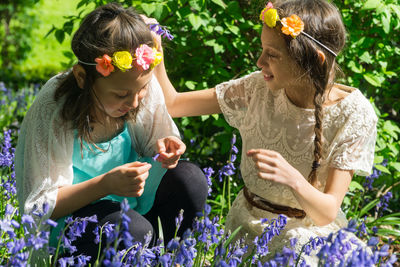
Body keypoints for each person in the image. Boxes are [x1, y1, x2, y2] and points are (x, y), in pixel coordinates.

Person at [155, 0, 377, 263]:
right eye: (262, 50)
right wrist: (155, 47)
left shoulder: (353, 113)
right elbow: (173, 104)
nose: (260, 62)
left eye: (272, 55)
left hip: (306, 236)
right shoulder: (256, 89)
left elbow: (327, 212)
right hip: (245, 229)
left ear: (313, 60)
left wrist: (292, 179)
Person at [15, 3, 208, 263]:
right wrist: (105, 184)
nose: (136, 102)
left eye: (142, 91)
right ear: (83, 77)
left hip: (130, 208)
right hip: (73, 224)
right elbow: (40, 209)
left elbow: (157, 143)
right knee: (132, 230)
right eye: (121, 95)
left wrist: (167, 149)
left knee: (190, 179)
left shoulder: (137, 84)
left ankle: (169, 259)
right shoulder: (56, 105)